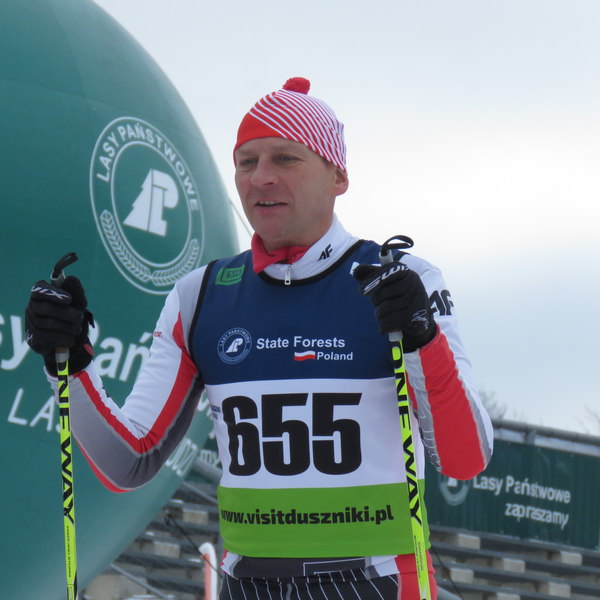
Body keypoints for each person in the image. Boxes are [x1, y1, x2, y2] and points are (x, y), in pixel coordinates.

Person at [25, 77, 493, 599]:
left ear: (337, 175)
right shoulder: (199, 296)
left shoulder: (400, 280)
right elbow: (127, 462)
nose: (261, 177)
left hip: (377, 582)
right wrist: (71, 363)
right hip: (250, 586)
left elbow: (465, 458)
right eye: (246, 162)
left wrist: (423, 339)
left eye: (286, 158)